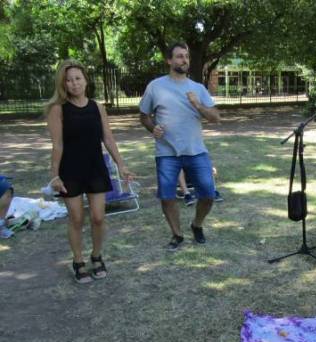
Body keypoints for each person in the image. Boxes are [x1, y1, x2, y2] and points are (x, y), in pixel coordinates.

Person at [46, 59, 133, 283]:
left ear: (85, 80)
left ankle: (96, 256)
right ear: (62, 84)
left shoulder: (97, 107)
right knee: (76, 218)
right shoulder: (58, 109)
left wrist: (121, 164)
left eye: (77, 78)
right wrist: (54, 175)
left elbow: (108, 137)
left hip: (95, 167)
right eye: (68, 80)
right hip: (70, 170)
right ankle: (78, 261)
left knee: (98, 217)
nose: (74, 83)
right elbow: (57, 145)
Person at [139, 42, 220, 251]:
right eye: (179, 56)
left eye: (186, 56)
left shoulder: (198, 89)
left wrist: (198, 105)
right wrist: (153, 128)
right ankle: (177, 234)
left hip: (196, 150)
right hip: (167, 152)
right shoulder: (155, 86)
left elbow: (215, 118)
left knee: (208, 194)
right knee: (166, 197)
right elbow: (144, 116)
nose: (184, 60)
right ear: (169, 60)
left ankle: (197, 225)